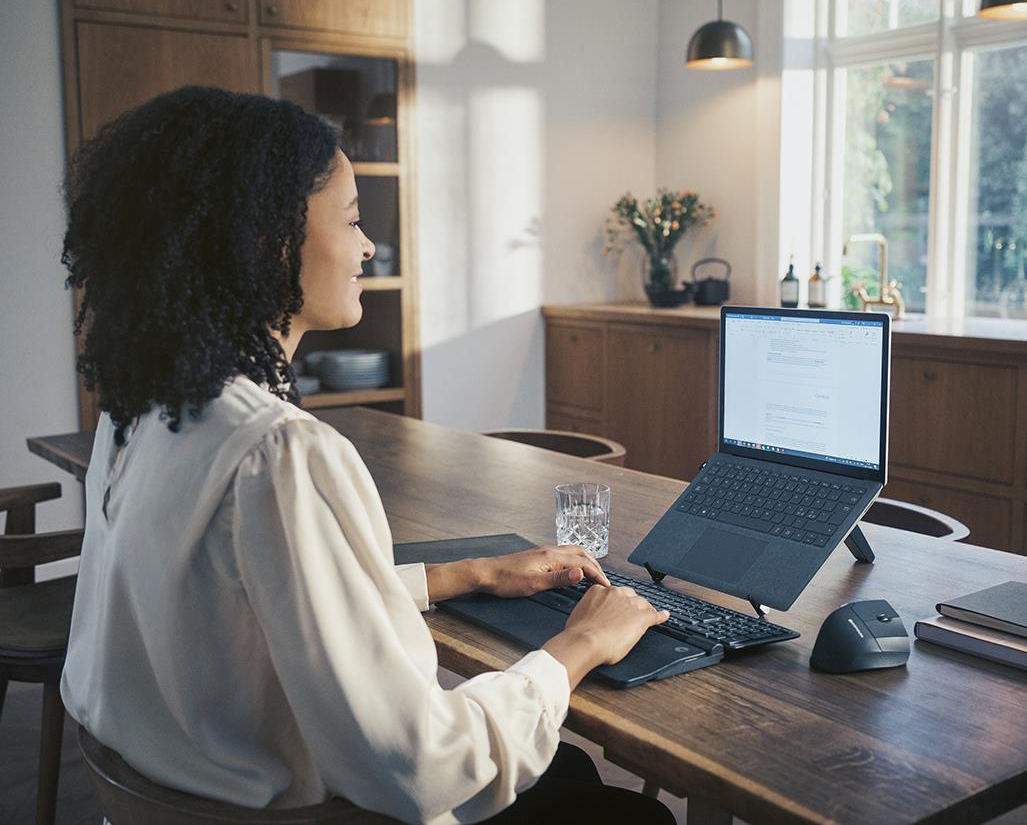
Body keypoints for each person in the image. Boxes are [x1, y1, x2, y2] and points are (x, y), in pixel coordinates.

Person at [59, 86, 674, 824]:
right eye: (351, 220)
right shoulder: (279, 453)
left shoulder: (144, 411)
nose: (366, 245)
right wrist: (579, 644)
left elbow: (259, 597)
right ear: (266, 239)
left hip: (172, 794)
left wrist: (466, 573)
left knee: (566, 771)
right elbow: (426, 769)